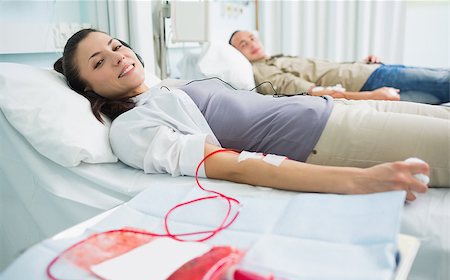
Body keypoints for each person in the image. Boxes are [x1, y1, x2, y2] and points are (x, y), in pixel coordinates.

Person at [54, 29, 450, 202]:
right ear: (88, 88)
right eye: (99, 61)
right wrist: (358, 182)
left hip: (341, 109)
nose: (119, 57)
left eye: (116, 46)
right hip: (328, 138)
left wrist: (358, 99)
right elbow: (236, 167)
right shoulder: (130, 128)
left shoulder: (167, 86)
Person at [229, 30, 450, 104]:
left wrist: (360, 63)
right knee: (442, 82)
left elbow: (325, 70)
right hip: (370, 80)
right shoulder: (260, 70)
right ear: (236, 53)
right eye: (243, 44)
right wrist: (371, 96)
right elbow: (311, 91)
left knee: (441, 86)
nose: (251, 44)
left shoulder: (275, 58)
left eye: (251, 38)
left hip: (368, 71)